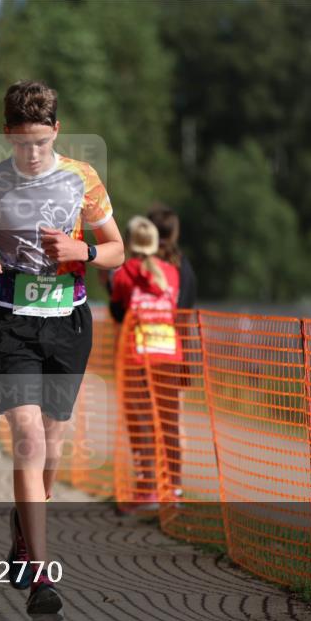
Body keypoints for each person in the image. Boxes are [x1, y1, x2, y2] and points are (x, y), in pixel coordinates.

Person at [0, 80, 124, 621]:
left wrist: (86, 249)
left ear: (56, 131)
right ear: (7, 133)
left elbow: (119, 251)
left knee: (53, 447)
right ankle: (40, 578)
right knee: (29, 440)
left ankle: (22, 529)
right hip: (11, 323)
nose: (31, 154)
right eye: (21, 143)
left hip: (68, 324)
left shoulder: (83, 178)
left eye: (40, 142)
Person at [110, 217, 184, 507]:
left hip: (137, 355)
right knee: (168, 422)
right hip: (168, 353)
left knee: (140, 422)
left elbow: (118, 310)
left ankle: (148, 488)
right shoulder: (172, 272)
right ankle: (173, 489)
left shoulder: (125, 271)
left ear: (129, 243)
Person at [146, 204, 197, 310]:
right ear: (175, 233)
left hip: (142, 325)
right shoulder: (182, 265)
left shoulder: (139, 264)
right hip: (174, 325)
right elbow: (186, 303)